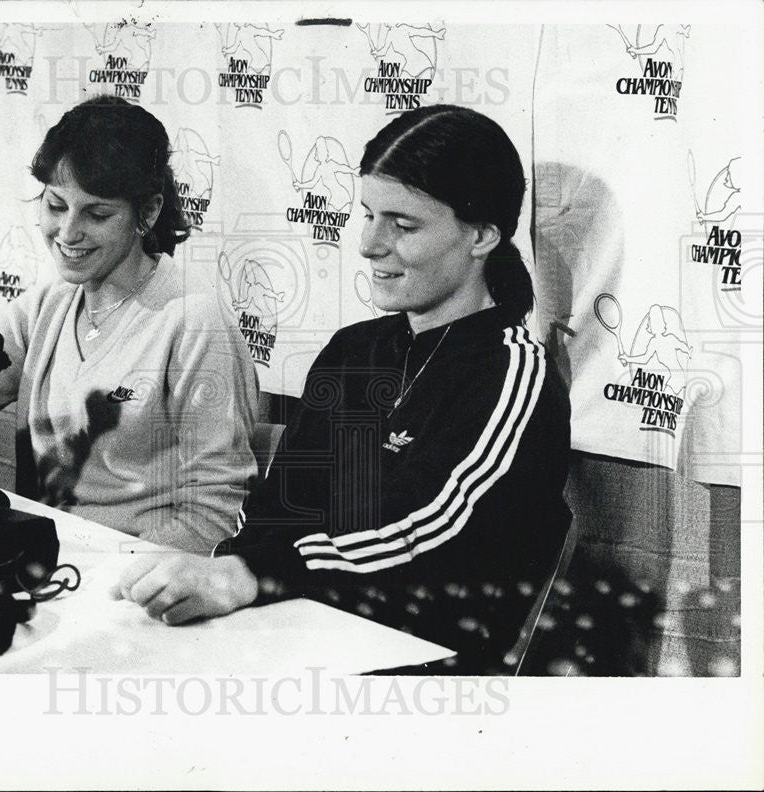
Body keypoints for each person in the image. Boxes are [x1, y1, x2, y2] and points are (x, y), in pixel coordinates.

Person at [111, 105, 572, 672]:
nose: (369, 244)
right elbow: (274, 512)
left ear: (481, 235)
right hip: (290, 636)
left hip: (423, 679)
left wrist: (248, 574)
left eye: (403, 225)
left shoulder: (514, 371)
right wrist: (217, 571)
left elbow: (429, 530)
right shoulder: (355, 351)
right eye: (368, 215)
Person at [0, 96, 259, 554]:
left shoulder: (196, 322)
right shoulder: (46, 305)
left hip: (138, 579)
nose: (68, 233)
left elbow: (215, 512)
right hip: (51, 564)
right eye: (56, 206)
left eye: (96, 215)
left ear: (148, 213)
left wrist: (114, 577)